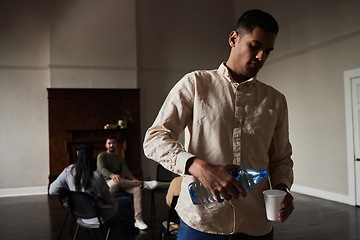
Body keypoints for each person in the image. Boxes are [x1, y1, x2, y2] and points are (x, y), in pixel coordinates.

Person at [143, 9, 294, 240]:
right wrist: (197, 167)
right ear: (234, 38)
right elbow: (154, 139)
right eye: (255, 46)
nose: (261, 57)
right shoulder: (195, 84)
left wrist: (282, 189)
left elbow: (281, 159)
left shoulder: (275, 100)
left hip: (256, 224)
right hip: (201, 222)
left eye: (268, 51)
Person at [49, 143, 138, 240]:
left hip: (80, 215)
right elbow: (108, 199)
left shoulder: (68, 171)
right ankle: (130, 232)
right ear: (92, 154)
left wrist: (71, 192)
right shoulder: (96, 176)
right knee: (126, 205)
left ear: (77, 153)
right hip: (100, 217)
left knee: (124, 204)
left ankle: (130, 229)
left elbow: (52, 190)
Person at [97, 136, 155, 230]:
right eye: (109, 143)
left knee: (137, 190)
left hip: (120, 183)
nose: (112, 145)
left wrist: (134, 179)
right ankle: (145, 184)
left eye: (114, 143)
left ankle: (138, 220)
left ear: (116, 145)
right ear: (106, 145)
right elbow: (102, 169)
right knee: (118, 179)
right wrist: (112, 175)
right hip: (107, 184)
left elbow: (126, 171)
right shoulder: (101, 156)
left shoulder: (120, 158)